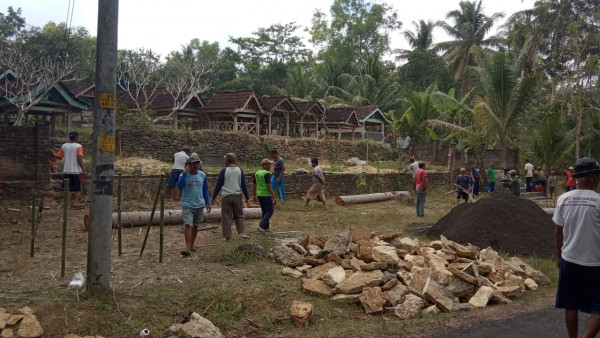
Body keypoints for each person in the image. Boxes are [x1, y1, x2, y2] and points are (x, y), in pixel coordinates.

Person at [553, 157, 600, 338]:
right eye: (597, 175)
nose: (598, 179)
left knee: (571, 304)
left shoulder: (563, 199)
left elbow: (558, 231)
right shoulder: (598, 201)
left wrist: (559, 257)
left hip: (569, 259)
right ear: (589, 177)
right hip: (595, 262)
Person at [177, 154, 211, 256]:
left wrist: (208, 202)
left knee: (195, 225)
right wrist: (184, 173)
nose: (195, 165)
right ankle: (187, 248)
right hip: (187, 204)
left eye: (197, 163)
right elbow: (180, 186)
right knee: (188, 225)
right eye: (193, 163)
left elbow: (205, 189)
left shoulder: (202, 175)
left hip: (199, 204)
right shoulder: (184, 175)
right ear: (189, 164)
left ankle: (192, 245)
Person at [212, 153, 250, 241]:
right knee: (239, 215)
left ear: (226, 161)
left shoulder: (224, 171)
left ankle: (227, 236)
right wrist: (247, 197)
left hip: (226, 196)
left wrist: (213, 197)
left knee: (226, 216)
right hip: (237, 196)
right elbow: (243, 184)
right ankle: (242, 233)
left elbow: (219, 185)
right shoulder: (239, 170)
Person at [56, 131, 85, 209]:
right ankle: (76, 202)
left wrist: (52, 153)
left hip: (66, 171)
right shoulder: (78, 146)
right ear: (76, 137)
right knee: (78, 188)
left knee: (67, 189)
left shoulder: (64, 146)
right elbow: (79, 158)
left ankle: (68, 204)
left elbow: (59, 157)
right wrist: (83, 168)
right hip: (75, 171)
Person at [252, 159, 277, 232]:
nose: (269, 166)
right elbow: (269, 186)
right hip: (266, 194)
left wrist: (254, 195)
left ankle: (265, 227)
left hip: (259, 194)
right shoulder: (266, 174)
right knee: (270, 211)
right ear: (264, 165)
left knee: (264, 211)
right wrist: (274, 197)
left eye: (270, 164)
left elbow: (254, 185)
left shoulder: (257, 173)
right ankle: (261, 225)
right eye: (267, 164)